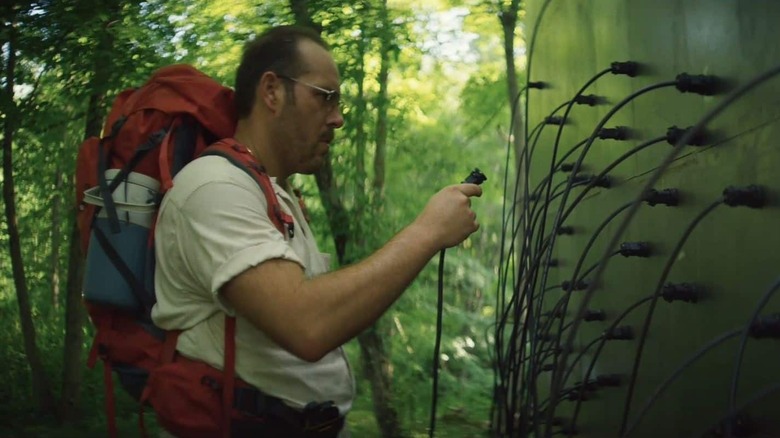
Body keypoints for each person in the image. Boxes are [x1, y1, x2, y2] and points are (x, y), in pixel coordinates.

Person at [151, 25, 482, 437]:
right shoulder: (215, 186)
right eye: (325, 97)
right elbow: (306, 325)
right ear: (271, 91)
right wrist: (429, 231)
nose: (338, 118)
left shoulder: (274, 192)